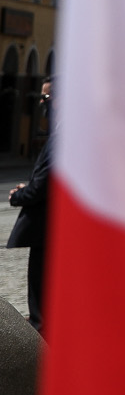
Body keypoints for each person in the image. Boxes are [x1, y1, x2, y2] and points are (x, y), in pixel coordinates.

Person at [8, 82, 54, 332]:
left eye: (45, 97)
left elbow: (43, 186)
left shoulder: (62, 136)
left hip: (47, 228)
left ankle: (41, 335)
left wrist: (20, 195)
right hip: (50, 227)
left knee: (41, 289)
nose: (41, 103)